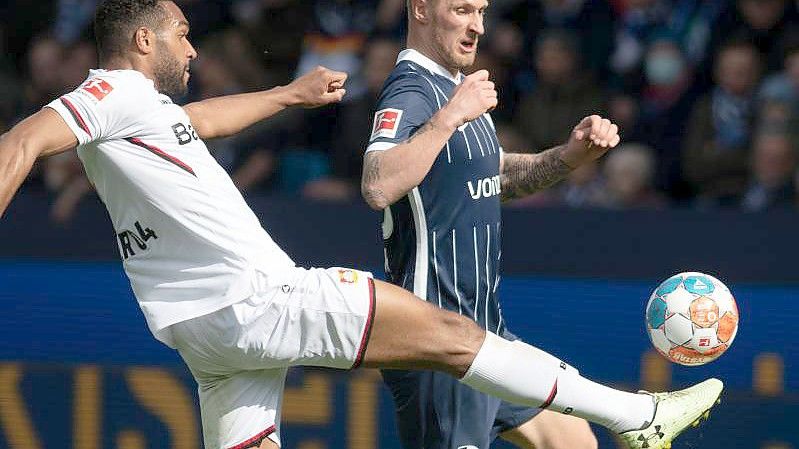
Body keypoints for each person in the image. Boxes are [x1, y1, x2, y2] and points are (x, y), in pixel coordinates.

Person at [0, 1, 722, 449]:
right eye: (182, 34)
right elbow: (24, 140)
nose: (194, 49)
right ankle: (636, 414)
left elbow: (199, 120)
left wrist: (287, 94)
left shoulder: (143, 116)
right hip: (258, 298)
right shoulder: (110, 91)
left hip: (206, 333)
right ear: (143, 43)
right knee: (452, 336)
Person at [358, 1, 687, 449]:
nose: (477, 26)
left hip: (486, 335)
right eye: (461, 10)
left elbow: (496, 178)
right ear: (420, 9)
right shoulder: (412, 89)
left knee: (574, 442)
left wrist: (570, 156)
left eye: (481, 11)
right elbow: (377, 184)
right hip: (436, 343)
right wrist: (450, 116)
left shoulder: (455, 87)